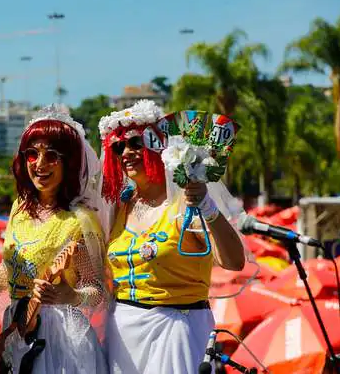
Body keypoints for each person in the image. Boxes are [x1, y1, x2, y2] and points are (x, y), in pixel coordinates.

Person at [98, 99, 247, 374]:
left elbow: (234, 261)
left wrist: (208, 207)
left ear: (159, 147)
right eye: (118, 147)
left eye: (136, 143)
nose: (126, 153)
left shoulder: (184, 203)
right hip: (123, 334)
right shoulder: (119, 207)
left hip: (177, 330)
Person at [0, 105, 109, 373]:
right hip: (16, 326)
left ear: (69, 162)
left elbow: (96, 292)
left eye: (52, 155)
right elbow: (8, 274)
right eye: (32, 154)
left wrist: (69, 295)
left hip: (62, 342)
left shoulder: (80, 219)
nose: (40, 164)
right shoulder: (19, 210)